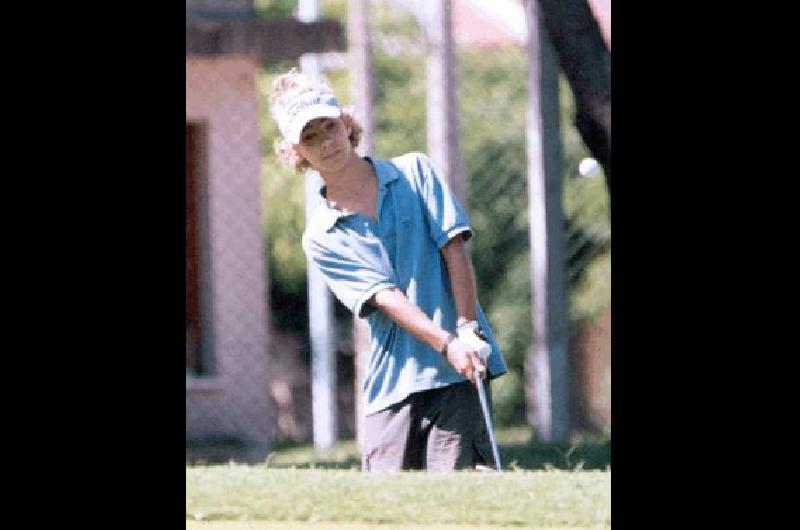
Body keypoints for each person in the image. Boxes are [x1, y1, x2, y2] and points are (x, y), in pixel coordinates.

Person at [269, 70, 507, 471]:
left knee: (455, 497)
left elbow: (454, 250)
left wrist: (466, 329)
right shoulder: (322, 236)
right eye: (310, 137)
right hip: (392, 383)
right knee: (387, 497)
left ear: (347, 124)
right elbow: (385, 296)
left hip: (458, 371)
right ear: (296, 153)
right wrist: (446, 342)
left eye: (329, 126)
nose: (325, 142)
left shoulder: (415, 172)